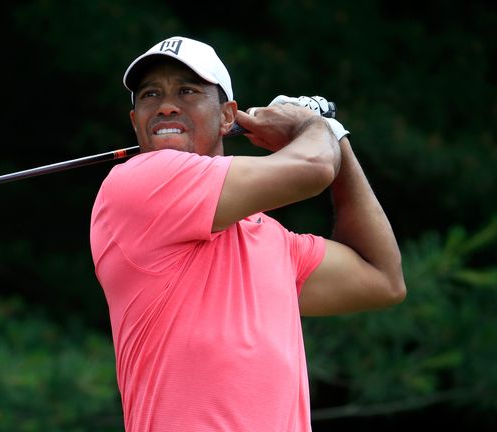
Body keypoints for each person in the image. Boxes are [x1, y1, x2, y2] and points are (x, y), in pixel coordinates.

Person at [89, 36, 407, 431]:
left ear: (228, 117)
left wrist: (335, 138)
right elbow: (313, 168)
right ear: (135, 121)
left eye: (187, 91)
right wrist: (313, 125)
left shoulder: (275, 242)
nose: (167, 105)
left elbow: (382, 278)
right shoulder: (136, 184)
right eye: (150, 94)